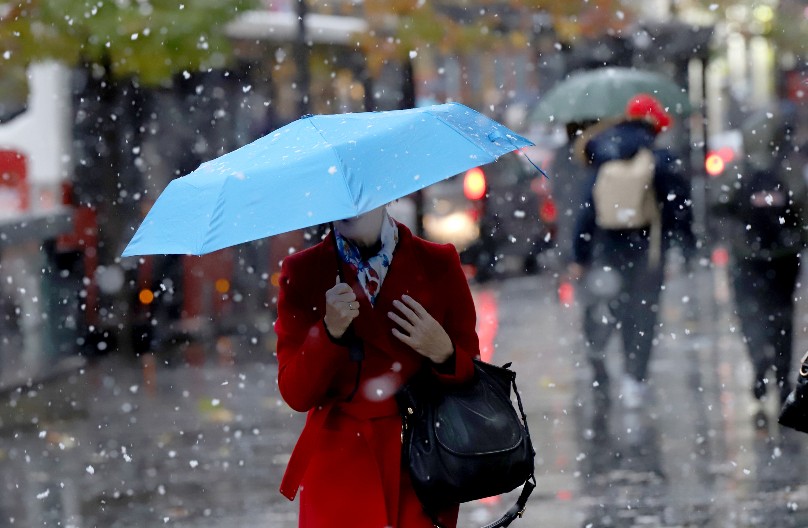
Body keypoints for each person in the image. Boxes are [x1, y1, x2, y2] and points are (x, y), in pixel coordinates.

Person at [273, 205, 480, 527]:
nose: (351, 207)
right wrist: (328, 333)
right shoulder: (304, 271)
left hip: (423, 462)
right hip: (339, 472)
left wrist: (445, 353)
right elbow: (295, 393)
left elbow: (474, 379)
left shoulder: (437, 263)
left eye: (362, 195)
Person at [568, 94, 695, 409]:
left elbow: (587, 209)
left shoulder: (602, 150)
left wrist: (580, 254)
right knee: (642, 315)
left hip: (607, 248)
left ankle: (600, 372)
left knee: (606, 310)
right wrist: (685, 245)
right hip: (647, 248)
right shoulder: (658, 156)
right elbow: (679, 207)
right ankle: (634, 380)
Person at [713, 102, 807, 411]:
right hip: (783, 256)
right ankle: (782, 375)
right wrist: (795, 238)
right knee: (782, 315)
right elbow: (803, 212)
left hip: (746, 256)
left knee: (749, 313)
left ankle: (758, 360)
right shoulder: (790, 170)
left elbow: (717, 206)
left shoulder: (737, 170)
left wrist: (735, 233)